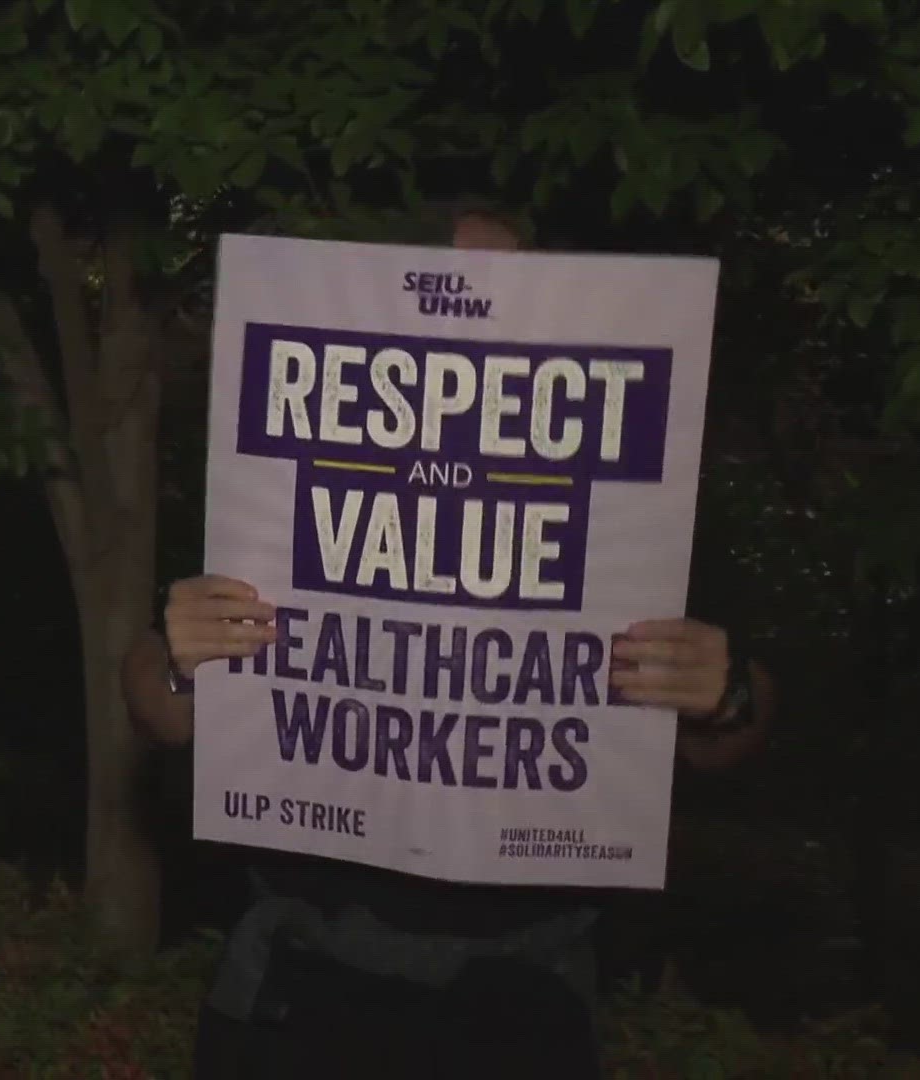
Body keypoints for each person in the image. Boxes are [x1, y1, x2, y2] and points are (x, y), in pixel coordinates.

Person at [122, 205, 776, 1079]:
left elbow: (738, 729)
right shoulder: (286, 475)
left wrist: (722, 695)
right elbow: (155, 707)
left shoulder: (631, 500)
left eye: (511, 284)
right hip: (301, 993)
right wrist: (180, 657)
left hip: (523, 1003)